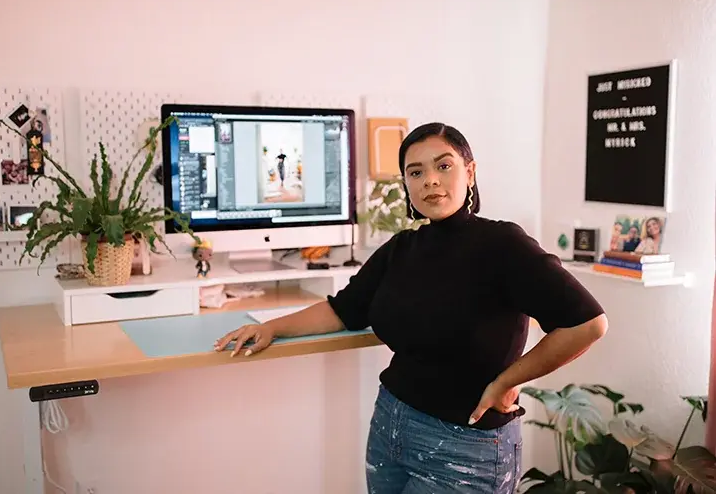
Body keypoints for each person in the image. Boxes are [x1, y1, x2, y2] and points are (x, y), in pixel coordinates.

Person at [214, 122, 608, 493]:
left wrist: (507, 380)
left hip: (466, 446)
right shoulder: (403, 248)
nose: (430, 181)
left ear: (469, 173)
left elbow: (586, 323)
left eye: (443, 166)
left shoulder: (502, 244)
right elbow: (343, 310)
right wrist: (272, 328)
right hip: (391, 427)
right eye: (415, 173)